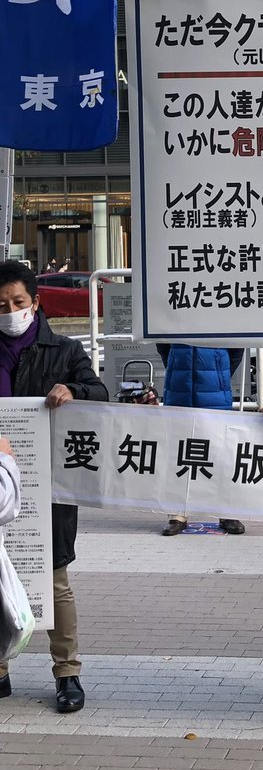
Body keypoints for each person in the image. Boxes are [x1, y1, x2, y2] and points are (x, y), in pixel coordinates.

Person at [0, 260, 109, 713]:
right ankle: (1, 671)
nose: (9, 311)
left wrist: (73, 391)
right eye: (0, 305)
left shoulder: (64, 350)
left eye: (18, 302)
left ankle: (67, 674)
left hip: (48, 489)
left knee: (54, 579)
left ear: (36, 302)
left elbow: (100, 391)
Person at [156, 343, 245, 536]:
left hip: (215, 394)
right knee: (179, 454)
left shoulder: (216, 315)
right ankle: (177, 514)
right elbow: (162, 344)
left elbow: (237, 348)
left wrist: (220, 375)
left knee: (221, 454)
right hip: (180, 391)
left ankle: (227, 511)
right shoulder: (173, 317)